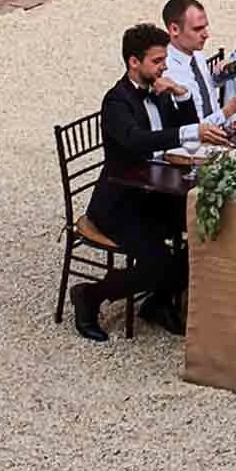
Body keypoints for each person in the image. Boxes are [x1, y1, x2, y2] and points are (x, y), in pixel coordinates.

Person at [71, 23, 197, 342]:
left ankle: (157, 300)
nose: (164, 66)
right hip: (120, 204)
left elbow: (186, 127)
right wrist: (184, 133)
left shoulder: (159, 90)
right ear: (133, 62)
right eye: (157, 60)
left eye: (164, 59)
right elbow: (136, 141)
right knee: (159, 262)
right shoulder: (116, 102)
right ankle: (90, 295)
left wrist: (181, 96)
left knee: (208, 229)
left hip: (156, 194)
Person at [158, 0, 236, 141]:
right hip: (190, 149)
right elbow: (185, 130)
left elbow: (202, 89)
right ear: (174, 29)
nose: (206, 35)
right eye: (198, 29)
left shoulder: (194, 53)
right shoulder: (166, 71)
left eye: (205, 27)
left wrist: (220, 77)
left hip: (217, 137)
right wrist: (229, 110)